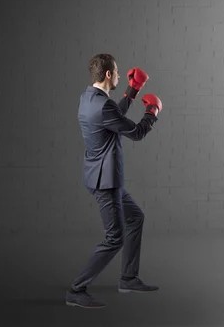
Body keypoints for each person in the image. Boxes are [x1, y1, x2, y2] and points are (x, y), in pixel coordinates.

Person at [66, 53, 163, 308]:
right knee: (114, 238)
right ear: (108, 74)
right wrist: (152, 112)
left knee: (136, 217)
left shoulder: (88, 98)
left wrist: (131, 92)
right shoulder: (103, 105)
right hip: (106, 182)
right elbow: (135, 132)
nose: (120, 76)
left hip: (100, 175)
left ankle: (128, 278)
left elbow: (112, 119)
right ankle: (76, 289)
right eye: (118, 73)